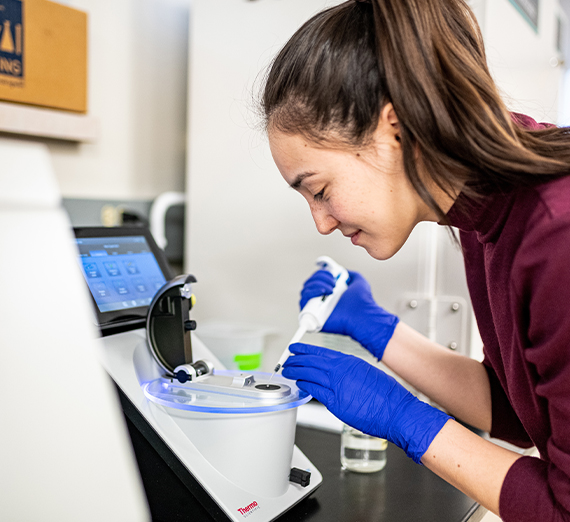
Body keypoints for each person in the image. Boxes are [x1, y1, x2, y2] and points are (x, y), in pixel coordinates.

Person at [261, 0, 570, 520]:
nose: (322, 222)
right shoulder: (489, 206)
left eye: (319, 189)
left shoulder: (555, 233)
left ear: (394, 129)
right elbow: (521, 410)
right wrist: (381, 331)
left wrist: (402, 417)